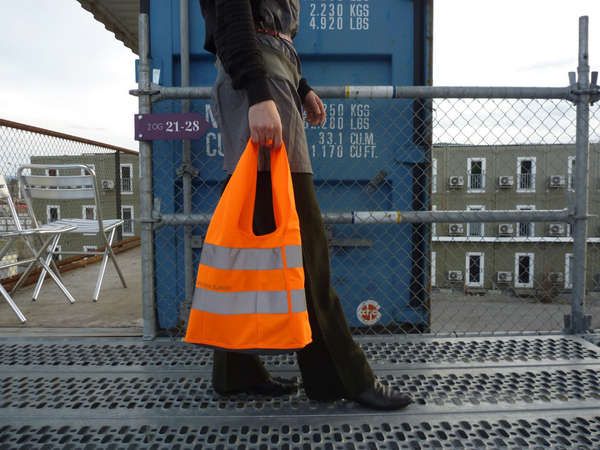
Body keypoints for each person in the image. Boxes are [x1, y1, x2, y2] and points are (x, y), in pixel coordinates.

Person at [199, 0, 413, 410]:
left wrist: (301, 86)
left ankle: (235, 370)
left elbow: (262, 31)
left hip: (266, 81)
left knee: (254, 233)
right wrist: (262, 95)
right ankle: (337, 376)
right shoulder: (257, 79)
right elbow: (234, 17)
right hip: (259, 87)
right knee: (305, 242)